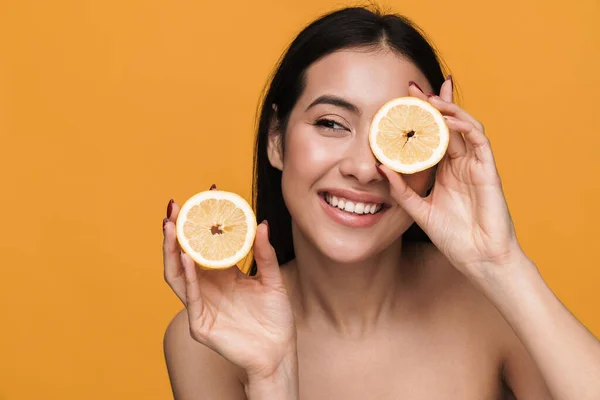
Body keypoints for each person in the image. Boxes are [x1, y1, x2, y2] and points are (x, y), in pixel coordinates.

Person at [161, 6, 600, 399]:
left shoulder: (490, 305)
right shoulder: (208, 341)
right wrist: (273, 377)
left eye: (400, 134)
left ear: (433, 156)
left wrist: (502, 264)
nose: (364, 168)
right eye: (332, 124)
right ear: (276, 140)